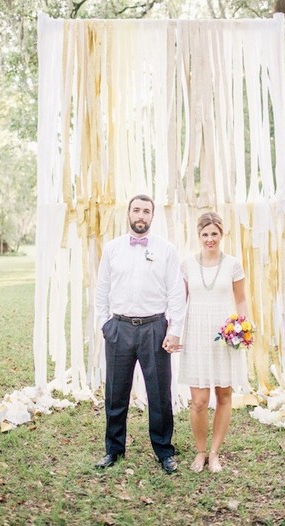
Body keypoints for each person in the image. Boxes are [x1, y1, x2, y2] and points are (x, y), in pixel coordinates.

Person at [94, 194, 186, 474]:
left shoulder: (166, 250)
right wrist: (105, 324)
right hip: (119, 328)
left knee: (159, 394)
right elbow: (101, 288)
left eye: (146, 211)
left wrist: (174, 330)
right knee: (115, 392)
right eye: (136, 210)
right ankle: (113, 449)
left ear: (152, 216)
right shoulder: (112, 248)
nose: (141, 215)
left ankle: (164, 451)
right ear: (128, 214)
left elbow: (176, 292)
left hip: (155, 328)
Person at [178, 211, 251, 473]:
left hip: (224, 336)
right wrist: (173, 331)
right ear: (199, 236)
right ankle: (200, 452)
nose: (210, 239)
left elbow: (240, 300)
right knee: (199, 400)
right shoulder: (187, 265)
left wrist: (244, 327)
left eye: (214, 234)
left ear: (222, 234)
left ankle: (214, 452)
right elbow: (181, 302)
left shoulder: (233, 264)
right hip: (196, 335)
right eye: (205, 234)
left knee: (224, 394)